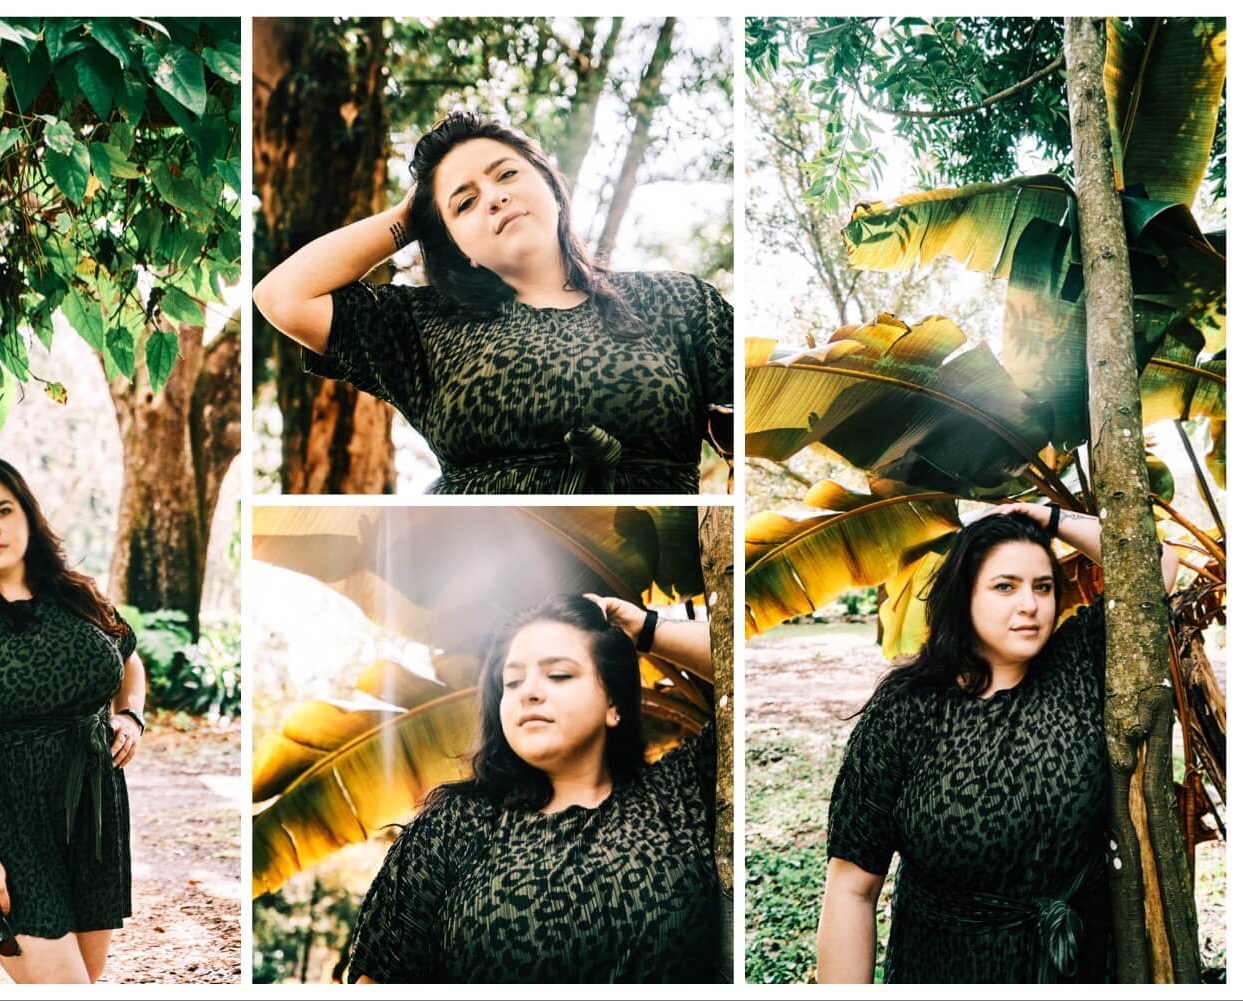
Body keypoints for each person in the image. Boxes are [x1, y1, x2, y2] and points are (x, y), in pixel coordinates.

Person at [253, 110, 733, 494]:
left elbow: (773, 405)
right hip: (480, 573)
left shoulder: (675, 301)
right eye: (464, 203)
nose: (494, 198)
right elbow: (283, 296)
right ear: (456, 247)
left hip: (645, 561)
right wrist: (410, 216)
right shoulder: (424, 327)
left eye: (506, 175)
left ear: (552, 188)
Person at [817, 502, 1181, 983]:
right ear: (964, 595)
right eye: (1005, 586)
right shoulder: (907, 710)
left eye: (1043, 587)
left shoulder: (1079, 661)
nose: (1029, 604)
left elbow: (1157, 567)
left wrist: (1047, 517)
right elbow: (851, 890)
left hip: (1076, 964)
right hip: (948, 967)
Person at [345, 593, 724, 983]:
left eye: (558, 674)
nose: (528, 692)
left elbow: (742, 668)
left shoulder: (677, 793)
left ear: (614, 702)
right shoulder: (454, 826)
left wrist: (648, 630)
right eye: (512, 681)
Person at [0, 458, 147, 983]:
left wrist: (131, 715)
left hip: (93, 816)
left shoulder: (75, 593)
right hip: (6, 827)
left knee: (83, 982)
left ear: (27, 514)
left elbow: (128, 657)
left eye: (2, 510)